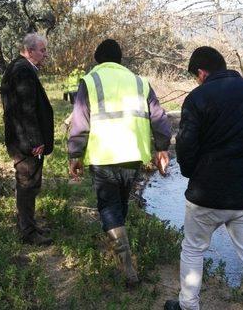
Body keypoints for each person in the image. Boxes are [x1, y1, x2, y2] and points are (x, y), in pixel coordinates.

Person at [164, 46, 243, 310]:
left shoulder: (197, 98)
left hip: (205, 195)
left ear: (201, 72)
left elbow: (185, 146)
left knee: (194, 249)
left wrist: (191, 174)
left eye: (195, 77)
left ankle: (188, 306)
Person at [68, 39, 171, 286]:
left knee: (109, 207)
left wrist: (75, 154)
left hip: (104, 155)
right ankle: (119, 245)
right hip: (133, 155)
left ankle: (127, 267)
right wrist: (162, 148)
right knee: (121, 203)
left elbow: (80, 121)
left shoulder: (91, 81)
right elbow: (159, 119)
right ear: (120, 59)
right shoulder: (139, 82)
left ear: (98, 60)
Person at [1, 33, 54, 246]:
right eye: (42, 50)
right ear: (29, 51)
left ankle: (27, 224)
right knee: (28, 183)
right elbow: (26, 110)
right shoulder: (23, 71)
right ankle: (28, 232)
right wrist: (35, 142)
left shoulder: (18, 67)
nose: (45, 54)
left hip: (20, 139)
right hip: (26, 142)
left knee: (28, 182)